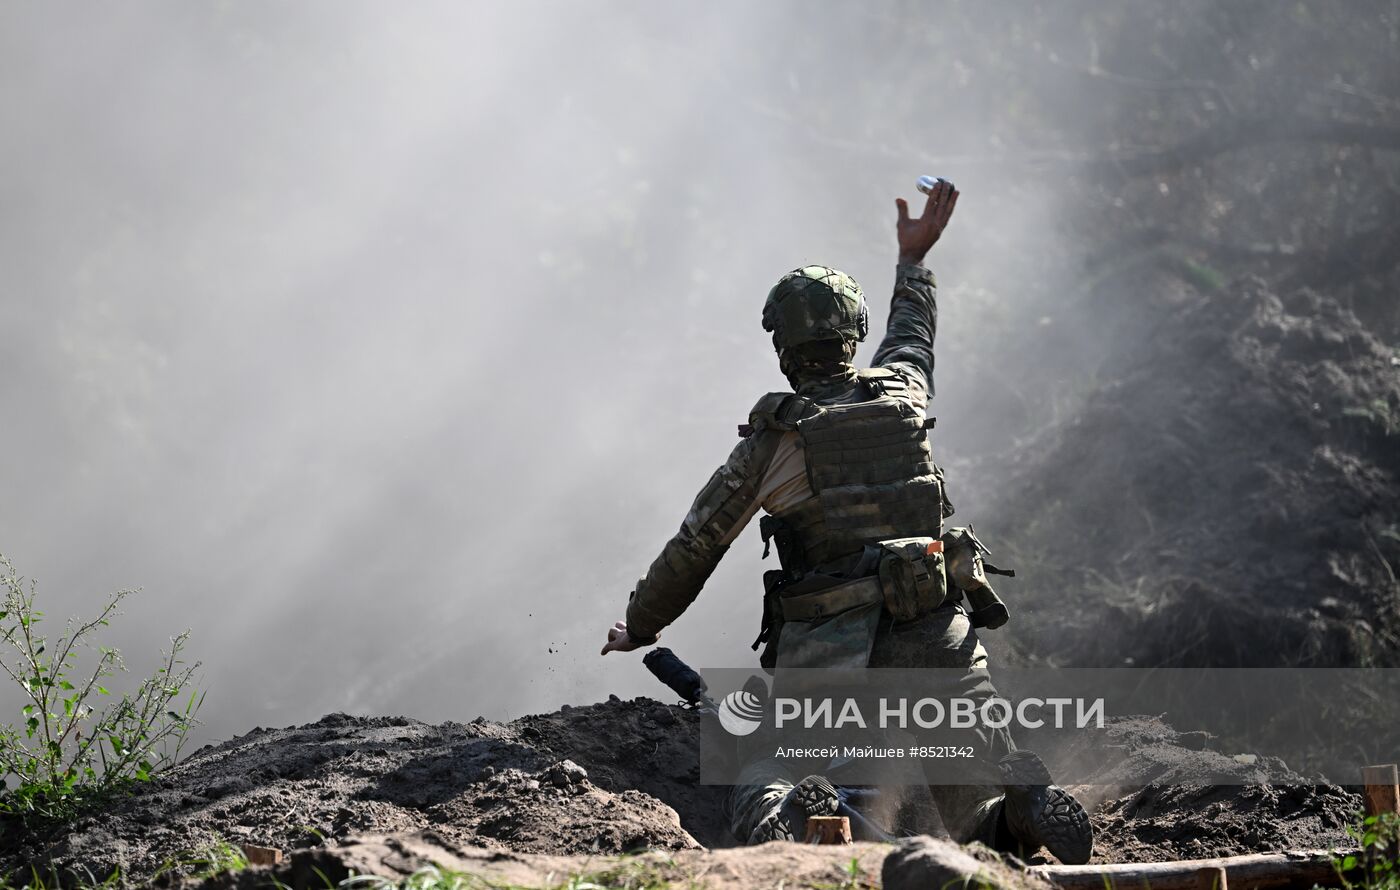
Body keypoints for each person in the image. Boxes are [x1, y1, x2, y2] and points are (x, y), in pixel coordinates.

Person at [600, 180, 1092, 863]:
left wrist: (641, 628)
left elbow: (695, 548)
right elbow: (913, 337)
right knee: (971, 813)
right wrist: (913, 262)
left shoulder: (774, 445)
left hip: (834, 668)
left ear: (783, 350)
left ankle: (799, 815)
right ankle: (1022, 810)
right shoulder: (905, 393)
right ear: (854, 336)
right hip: (941, 648)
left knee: (760, 768)